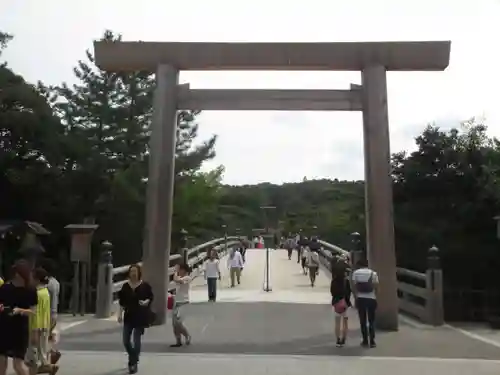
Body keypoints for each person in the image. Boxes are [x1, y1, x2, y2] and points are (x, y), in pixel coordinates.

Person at [0, 260, 38, 375]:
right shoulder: (5, 288)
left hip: (20, 329)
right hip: (4, 327)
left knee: (18, 364)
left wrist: (20, 310)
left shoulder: (30, 290)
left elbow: (33, 312)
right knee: (1, 362)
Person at [117, 264, 154, 374]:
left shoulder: (145, 286)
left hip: (140, 316)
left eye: (135, 271)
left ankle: (133, 363)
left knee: (137, 340)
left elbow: (150, 297)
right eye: (131, 271)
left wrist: (146, 302)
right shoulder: (125, 286)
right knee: (125, 340)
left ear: (139, 273)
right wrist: (119, 314)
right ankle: (134, 357)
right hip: (128, 316)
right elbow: (121, 302)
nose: (133, 273)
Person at [26, 268, 57, 375]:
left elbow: (36, 314)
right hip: (44, 327)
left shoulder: (37, 294)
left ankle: (48, 367)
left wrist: (34, 331)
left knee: (32, 360)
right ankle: (48, 367)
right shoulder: (45, 292)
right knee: (38, 356)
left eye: (32, 277)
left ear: (37, 279)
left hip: (36, 328)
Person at [351, 258, 378, 348]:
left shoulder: (356, 273)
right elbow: (376, 286)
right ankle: (372, 341)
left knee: (363, 320)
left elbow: (354, 287)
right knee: (371, 320)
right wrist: (375, 296)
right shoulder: (373, 273)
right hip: (371, 298)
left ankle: (365, 340)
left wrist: (355, 298)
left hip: (360, 298)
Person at [38, 259, 60, 366]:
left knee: (44, 337)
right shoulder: (56, 282)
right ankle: (51, 355)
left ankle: (47, 361)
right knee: (48, 337)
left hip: (48, 312)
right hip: (54, 311)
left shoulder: (47, 284)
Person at [330, 262, 352, 347]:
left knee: (337, 322)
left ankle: (337, 339)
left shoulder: (334, 281)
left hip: (336, 303)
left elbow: (332, 292)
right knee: (345, 322)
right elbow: (348, 292)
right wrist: (347, 301)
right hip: (345, 303)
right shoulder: (346, 281)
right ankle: (344, 338)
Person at [171, 263, 192, 348]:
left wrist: (175, 271)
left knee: (178, 322)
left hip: (184, 302)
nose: (179, 271)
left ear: (184, 270)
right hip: (176, 302)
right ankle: (178, 340)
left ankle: (187, 335)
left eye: (180, 269)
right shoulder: (180, 277)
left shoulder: (187, 278)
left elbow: (176, 280)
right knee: (174, 324)